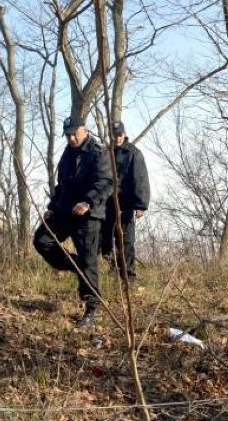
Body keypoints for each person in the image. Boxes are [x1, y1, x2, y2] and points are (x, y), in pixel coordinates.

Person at [34, 116, 113, 328]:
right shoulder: (67, 153)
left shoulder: (99, 152)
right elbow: (62, 185)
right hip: (63, 211)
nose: (70, 138)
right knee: (41, 241)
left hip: (88, 216)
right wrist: (52, 207)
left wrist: (87, 202)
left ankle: (91, 308)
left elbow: (106, 183)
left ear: (84, 130)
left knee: (89, 262)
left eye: (73, 133)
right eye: (67, 135)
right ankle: (76, 265)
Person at [100, 121, 150, 280]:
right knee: (105, 239)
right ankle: (114, 269)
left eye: (119, 135)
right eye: (114, 135)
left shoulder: (134, 153)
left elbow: (141, 178)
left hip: (126, 203)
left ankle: (129, 275)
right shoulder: (106, 152)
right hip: (107, 203)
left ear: (124, 134)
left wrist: (141, 204)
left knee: (126, 240)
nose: (117, 138)